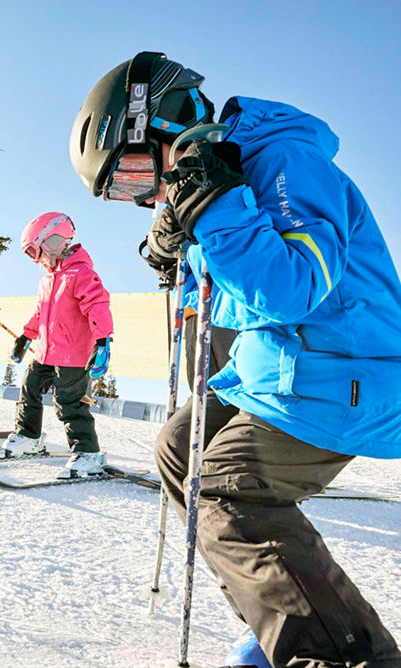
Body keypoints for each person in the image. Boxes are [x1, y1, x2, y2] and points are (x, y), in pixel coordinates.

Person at [70, 51, 401, 667]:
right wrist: (180, 248)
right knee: (179, 449)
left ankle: (341, 654)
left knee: (225, 485)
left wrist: (214, 210)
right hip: (283, 368)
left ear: (169, 125)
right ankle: (281, 612)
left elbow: (292, 287)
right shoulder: (223, 170)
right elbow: (236, 300)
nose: (145, 197)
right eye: (126, 193)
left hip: (348, 372)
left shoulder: (283, 160)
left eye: (138, 175)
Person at [0, 212, 113, 479]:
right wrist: (25, 336)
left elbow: (97, 305)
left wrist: (103, 340)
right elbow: (41, 312)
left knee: (69, 403)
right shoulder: (48, 278)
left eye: (35, 251)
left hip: (74, 354)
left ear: (54, 241)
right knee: (29, 389)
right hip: (45, 351)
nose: (36, 259)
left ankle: (87, 454)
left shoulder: (80, 273)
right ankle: (28, 436)